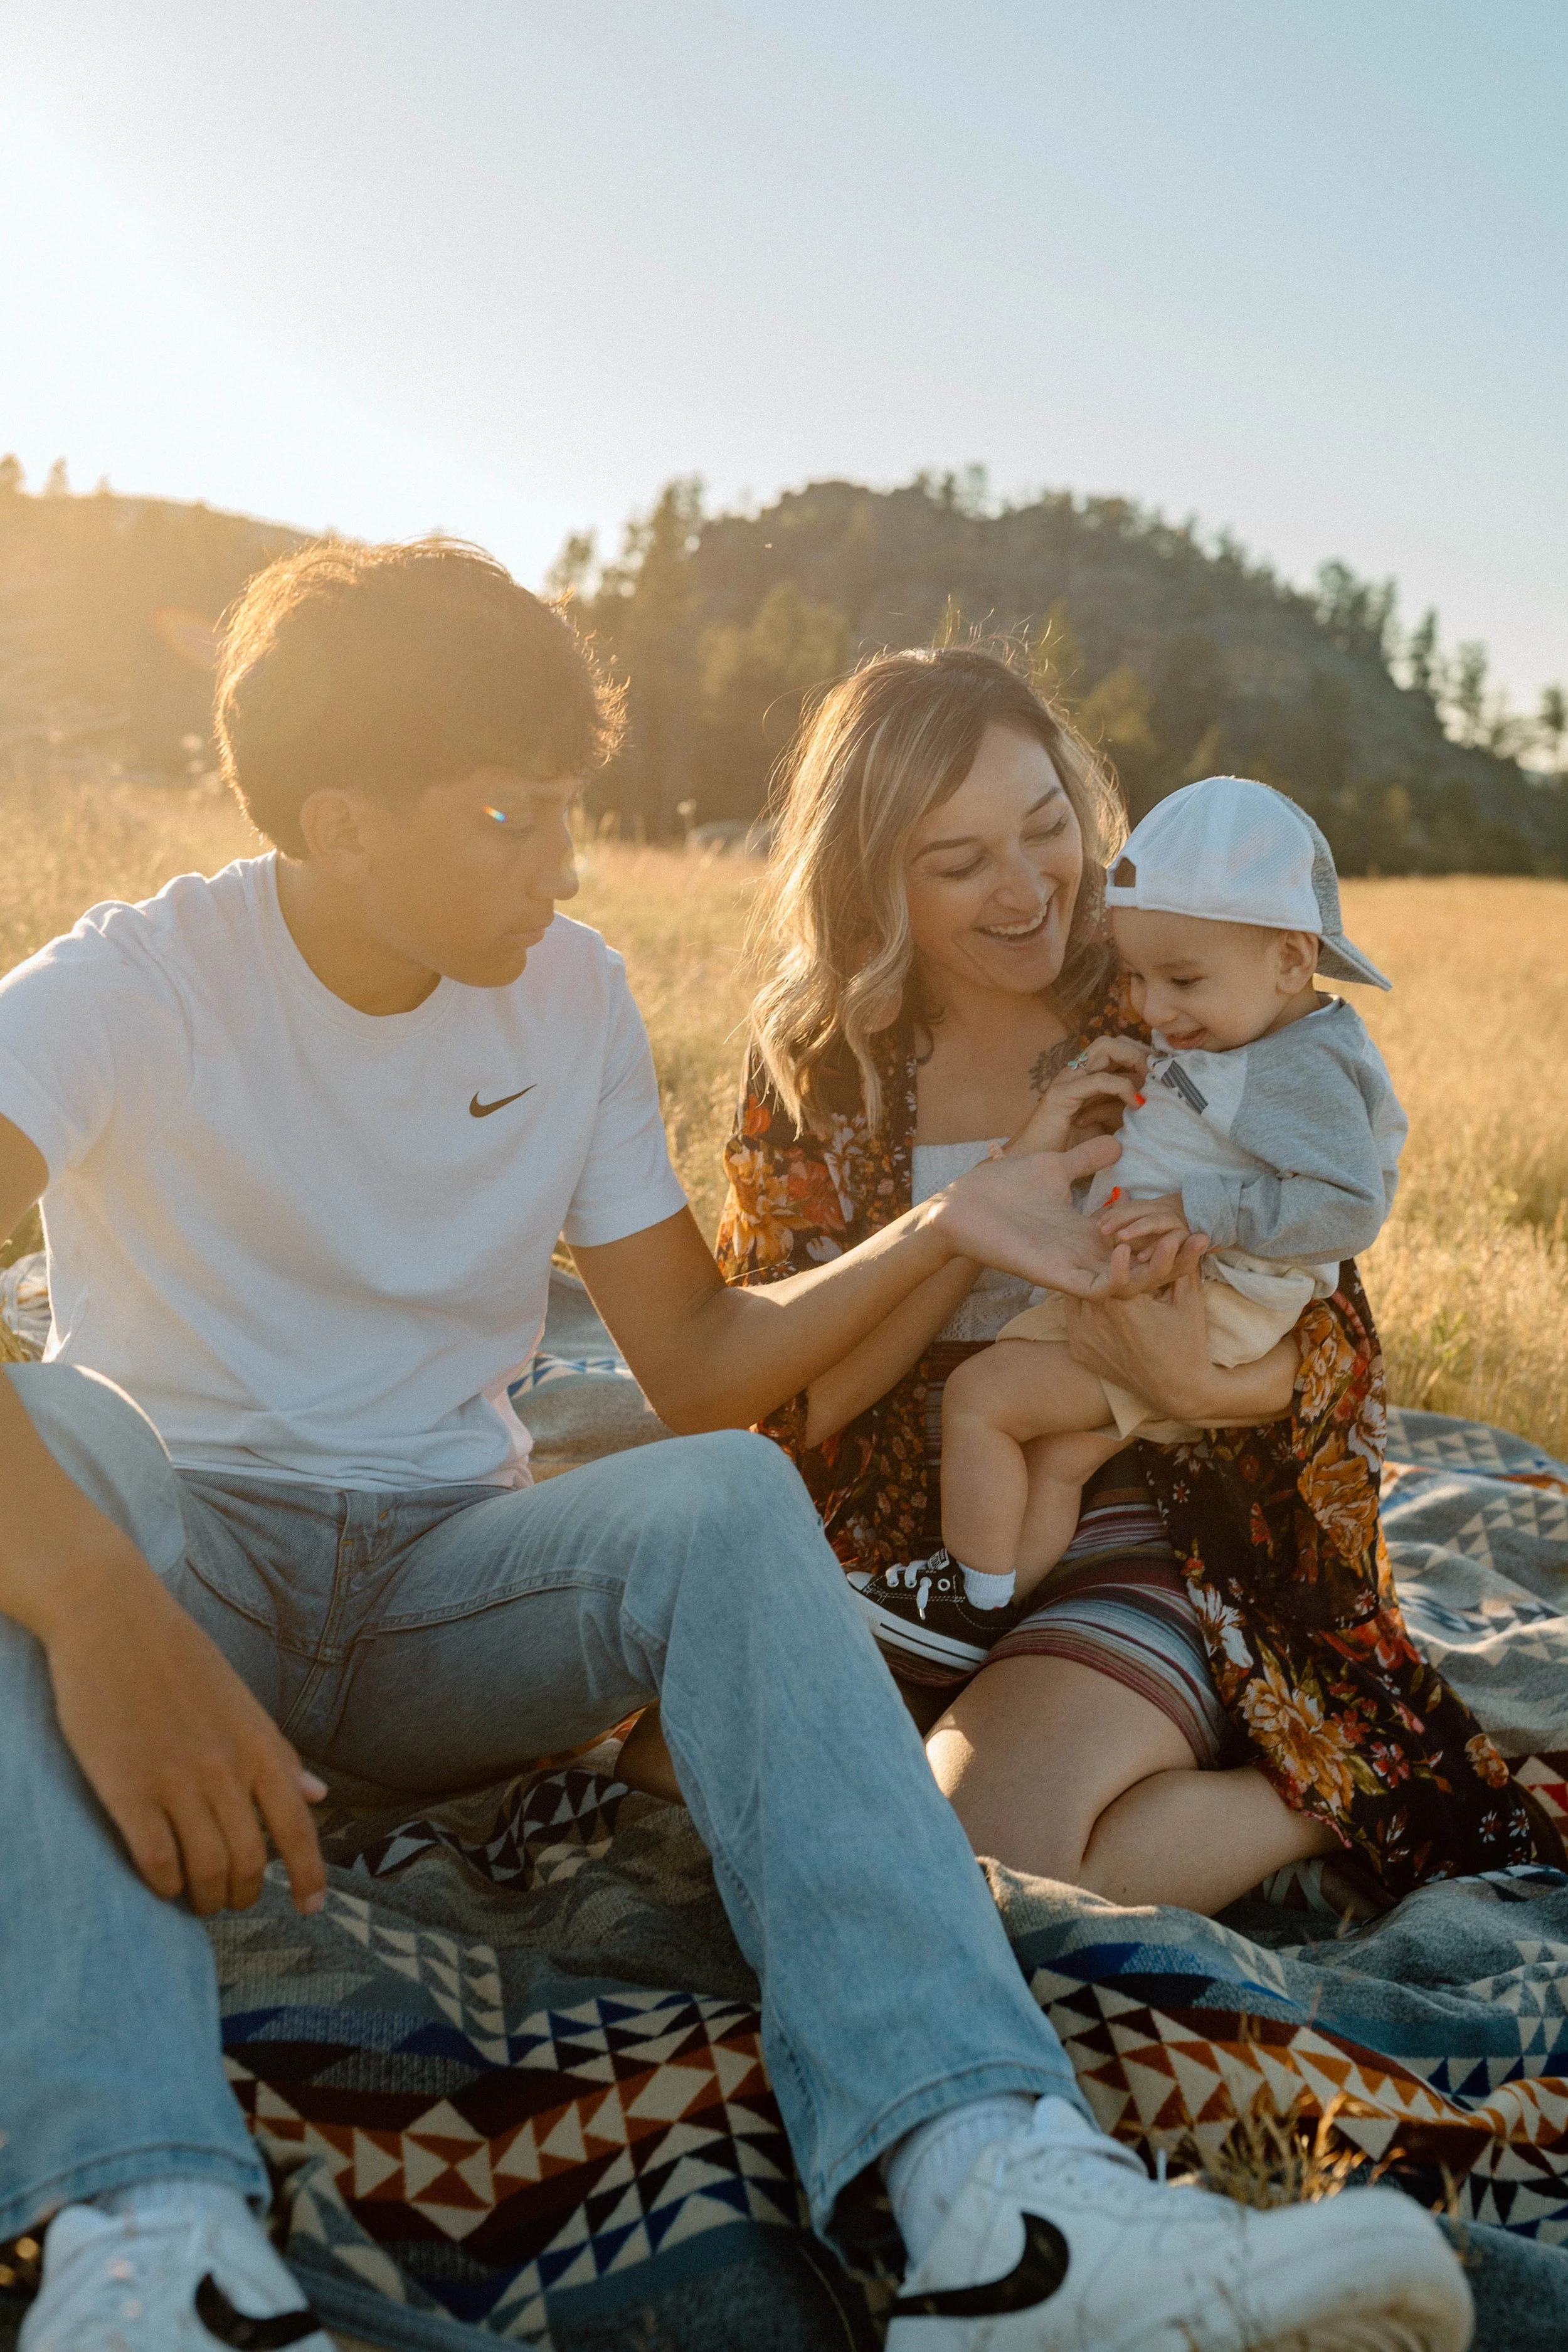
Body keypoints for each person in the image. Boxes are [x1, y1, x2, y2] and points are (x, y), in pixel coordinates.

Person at [0, 540, 1471, 2352]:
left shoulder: (574, 992)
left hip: (437, 1593)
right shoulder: (139, 979)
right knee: (56, 1447)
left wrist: (951, 1229)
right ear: (341, 821)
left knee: (725, 1492)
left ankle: (996, 2203)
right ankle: (141, 2248)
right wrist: (95, 1606)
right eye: (508, 816)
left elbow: (701, 1372)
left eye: (568, 810)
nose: (563, 859)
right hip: (187, 1578)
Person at [718, 644, 1555, 1918]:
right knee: (691, 1768)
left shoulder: (1168, 985)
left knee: (983, 1851)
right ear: (871, 882)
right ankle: (1118, 1711)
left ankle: (1335, 1790)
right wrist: (965, 1219)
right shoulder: (821, 1067)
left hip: (1170, 1505)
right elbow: (791, 1403)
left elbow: (1328, 1320)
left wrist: (1192, 1385)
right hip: (908, 1533)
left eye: (1047, 827)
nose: (1027, 892)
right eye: (958, 863)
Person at [888, 773, 1407, 1631]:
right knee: (1057, 1458)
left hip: (1199, 1305)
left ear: (1291, 957)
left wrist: (1200, 1207)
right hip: (1175, 1293)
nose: (1153, 1009)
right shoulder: (1256, 1028)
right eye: (1136, 976)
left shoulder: (1298, 1065)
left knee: (980, 1399)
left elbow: (1350, 1209)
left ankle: (957, 1601)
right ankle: (998, 1600)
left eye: (1182, 980)